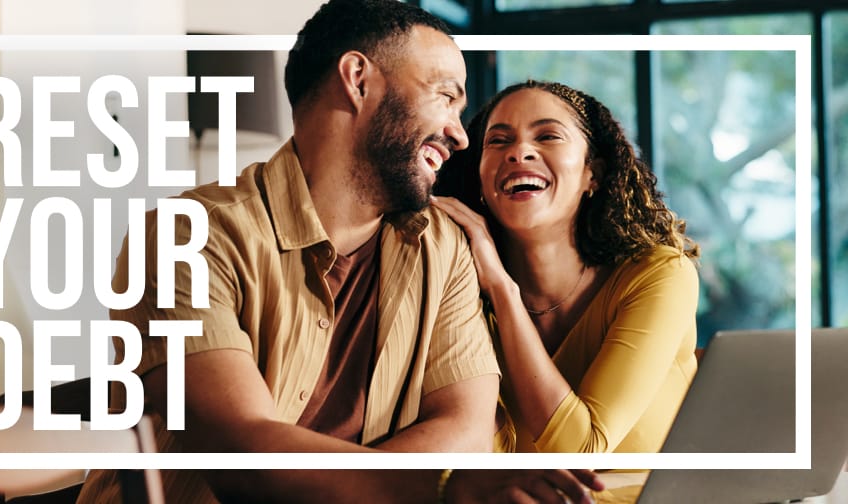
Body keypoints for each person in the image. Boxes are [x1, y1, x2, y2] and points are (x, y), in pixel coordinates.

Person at [77, 2, 604, 503]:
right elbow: (243, 454)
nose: (459, 135)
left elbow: (466, 430)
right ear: (357, 79)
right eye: (445, 96)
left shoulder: (444, 246)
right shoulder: (186, 237)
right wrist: (441, 488)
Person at [433, 79, 701, 454]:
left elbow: (582, 449)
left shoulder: (659, 274)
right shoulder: (458, 291)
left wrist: (502, 290)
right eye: (499, 141)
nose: (519, 152)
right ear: (479, 177)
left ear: (593, 174)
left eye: (548, 136)